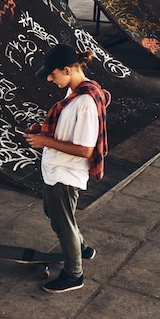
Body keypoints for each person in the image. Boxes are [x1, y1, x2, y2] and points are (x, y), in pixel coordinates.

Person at [24, 43, 110, 293]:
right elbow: (70, 131)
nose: (50, 79)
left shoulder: (84, 101)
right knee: (55, 213)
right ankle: (81, 248)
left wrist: (44, 141)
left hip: (66, 173)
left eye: (53, 73)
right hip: (58, 169)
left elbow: (86, 149)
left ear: (68, 69)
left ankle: (74, 275)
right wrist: (42, 130)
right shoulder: (78, 91)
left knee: (62, 223)